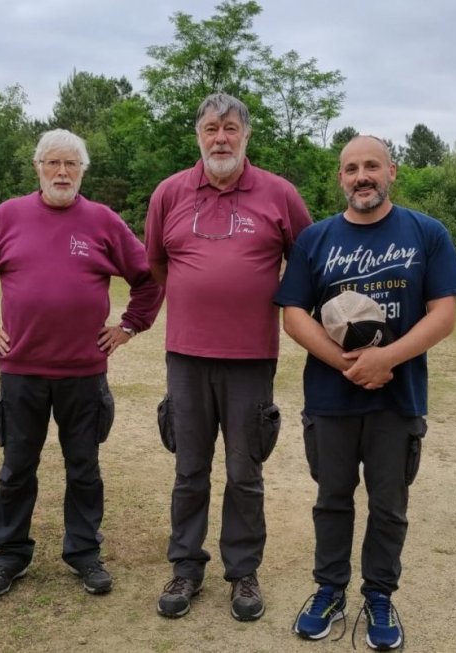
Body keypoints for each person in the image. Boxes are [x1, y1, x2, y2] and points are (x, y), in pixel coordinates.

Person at [0, 129, 163, 600]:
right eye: (53, 164)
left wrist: (130, 325)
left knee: (84, 467)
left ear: (83, 171)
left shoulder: (103, 221)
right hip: (21, 371)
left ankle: (84, 553)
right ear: (38, 168)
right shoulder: (7, 217)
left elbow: (148, 278)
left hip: (84, 373)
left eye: (71, 165)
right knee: (17, 466)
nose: (62, 173)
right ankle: (9, 554)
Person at [274, 135, 456, 650]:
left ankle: (379, 596)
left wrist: (389, 358)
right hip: (331, 398)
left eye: (372, 166)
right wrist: (345, 362)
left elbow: (444, 313)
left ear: (392, 171)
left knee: (389, 505)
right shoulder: (315, 240)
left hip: (396, 396)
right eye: (351, 168)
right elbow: (294, 313)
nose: (362, 176)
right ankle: (329, 591)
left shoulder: (427, 233)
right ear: (340, 178)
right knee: (332, 500)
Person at [145, 93, 312, 621]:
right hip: (186, 357)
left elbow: (306, 264)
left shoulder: (279, 194)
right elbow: (156, 263)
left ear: (247, 135)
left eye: (231, 128)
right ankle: (186, 567)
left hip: (251, 358)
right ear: (198, 135)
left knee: (245, 472)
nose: (221, 138)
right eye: (212, 128)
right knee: (189, 469)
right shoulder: (169, 193)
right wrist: (202, 302)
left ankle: (243, 573)